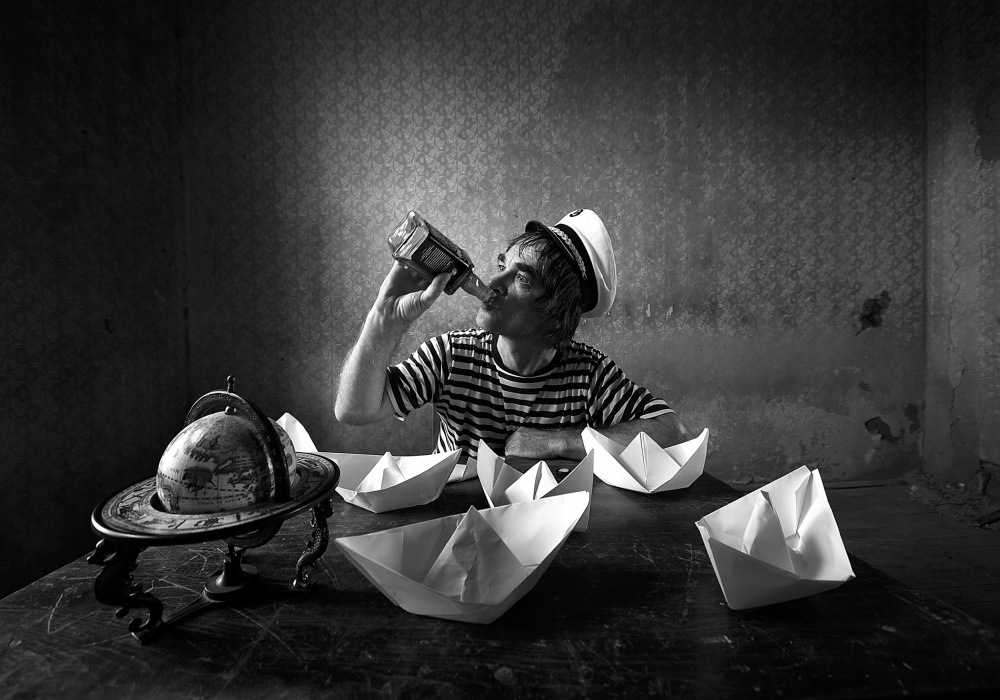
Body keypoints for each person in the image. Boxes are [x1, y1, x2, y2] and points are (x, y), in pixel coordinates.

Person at [334, 208, 691, 462]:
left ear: (556, 312)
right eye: (502, 266)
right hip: (455, 527)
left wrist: (560, 442)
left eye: (521, 278)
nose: (494, 282)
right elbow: (352, 410)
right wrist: (385, 319)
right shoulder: (451, 354)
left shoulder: (590, 375)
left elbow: (673, 432)